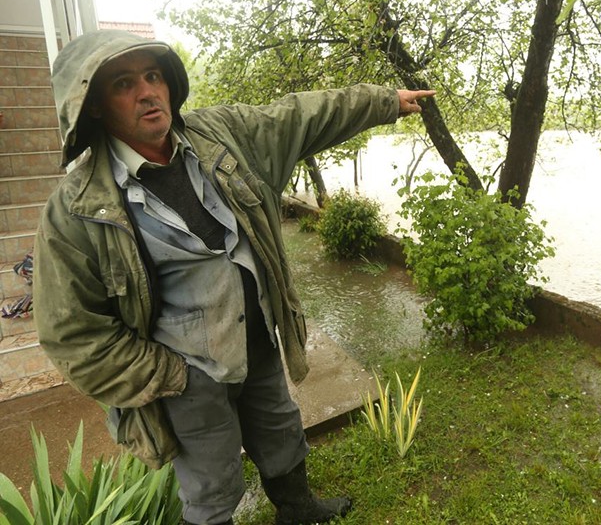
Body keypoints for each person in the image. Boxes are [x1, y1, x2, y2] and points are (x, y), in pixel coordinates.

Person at [32, 29, 435, 525]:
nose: (147, 92)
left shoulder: (219, 136)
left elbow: (299, 115)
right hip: (185, 373)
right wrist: (166, 374)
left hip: (258, 337)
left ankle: (298, 509)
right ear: (93, 105)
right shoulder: (75, 211)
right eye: (123, 84)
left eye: (153, 76)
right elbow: (70, 332)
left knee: (281, 427)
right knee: (210, 478)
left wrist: (383, 101)